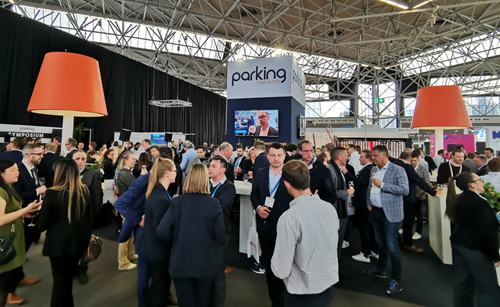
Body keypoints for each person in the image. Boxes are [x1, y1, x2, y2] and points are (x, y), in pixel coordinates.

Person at [157, 164, 226, 307]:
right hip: (205, 264)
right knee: (203, 301)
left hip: (180, 263)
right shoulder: (214, 204)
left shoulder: (177, 202)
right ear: (205, 180)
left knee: (184, 302)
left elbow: (162, 231)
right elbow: (221, 237)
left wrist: (177, 237)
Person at [271, 160, 339, 307]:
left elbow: (280, 270)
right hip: (327, 288)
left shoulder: (289, 218)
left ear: (287, 184)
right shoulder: (329, 209)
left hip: (301, 293)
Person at [37, 159, 92, 307]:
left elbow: (41, 225)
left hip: (58, 246)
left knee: (60, 284)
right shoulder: (85, 191)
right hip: (78, 244)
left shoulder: (52, 194)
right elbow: (89, 220)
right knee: (66, 283)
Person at [445, 172, 500, 306]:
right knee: (487, 286)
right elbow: (488, 232)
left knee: (462, 282)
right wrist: (495, 256)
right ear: (473, 185)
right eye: (479, 180)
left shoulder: (458, 198)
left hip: (458, 243)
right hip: (475, 248)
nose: (482, 182)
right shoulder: (480, 203)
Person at [250, 143, 293, 307]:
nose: (276, 158)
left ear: (284, 156)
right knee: (269, 265)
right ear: (267, 156)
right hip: (264, 226)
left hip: (285, 227)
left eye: (279, 155)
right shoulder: (260, 173)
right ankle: (275, 301)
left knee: (285, 265)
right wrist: (258, 206)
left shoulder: (291, 175)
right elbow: (254, 194)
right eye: (272, 155)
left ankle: (285, 299)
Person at [363, 145, 409, 295]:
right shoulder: (374, 169)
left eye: (375, 155)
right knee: (381, 244)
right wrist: (369, 204)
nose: (373, 158)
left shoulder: (398, 170)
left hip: (391, 214)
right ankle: (381, 269)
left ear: (384, 155)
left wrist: (383, 185)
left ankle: (397, 279)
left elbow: (404, 190)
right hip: (376, 211)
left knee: (392, 246)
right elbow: (370, 188)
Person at [0, 160, 42, 306]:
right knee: (5, 274)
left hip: (12, 234)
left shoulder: (8, 187)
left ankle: (14, 286)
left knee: (12, 268)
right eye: (12, 170)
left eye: (17, 169)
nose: (16, 172)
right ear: (2, 173)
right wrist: (25, 209)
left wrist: (23, 214)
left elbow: (9, 211)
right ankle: (7, 294)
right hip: (4, 238)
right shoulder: (1, 190)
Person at [142, 157, 177, 306]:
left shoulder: (156, 191)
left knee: (157, 285)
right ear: (167, 173)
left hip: (151, 247)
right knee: (160, 289)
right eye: (175, 171)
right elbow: (161, 230)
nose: (177, 173)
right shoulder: (161, 198)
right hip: (159, 251)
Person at [393, 151, 439, 252]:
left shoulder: (393, 165)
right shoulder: (407, 167)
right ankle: (407, 243)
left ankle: (398, 241)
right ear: (409, 159)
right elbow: (419, 180)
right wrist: (433, 191)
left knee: (395, 221)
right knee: (408, 222)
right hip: (408, 198)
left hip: (395, 198)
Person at [208, 157, 236, 307]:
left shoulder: (228, 187)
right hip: (204, 232)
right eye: (209, 165)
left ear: (223, 170)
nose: (209, 168)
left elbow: (218, 206)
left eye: (213, 166)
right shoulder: (207, 184)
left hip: (220, 233)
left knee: (218, 273)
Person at [72, 150, 103, 284]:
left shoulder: (93, 175)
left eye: (82, 159)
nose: (79, 161)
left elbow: (97, 197)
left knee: (85, 246)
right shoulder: (66, 174)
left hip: (86, 218)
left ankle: (83, 270)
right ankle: (73, 269)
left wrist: (93, 217)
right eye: (77, 159)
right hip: (68, 218)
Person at [13, 143, 46, 254]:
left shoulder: (34, 168)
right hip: (22, 213)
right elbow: (16, 194)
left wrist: (40, 194)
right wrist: (37, 191)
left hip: (34, 212)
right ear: (29, 155)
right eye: (39, 154)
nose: (42, 156)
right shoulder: (18, 171)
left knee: (30, 238)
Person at [351, 150, 379, 263]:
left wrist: (347, 173)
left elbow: (359, 183)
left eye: (361, 157)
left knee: (364, 229)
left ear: (367, 159)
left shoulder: (367, 169)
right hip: (366, 203)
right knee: (369, 228)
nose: (359, 159)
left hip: (363, 204)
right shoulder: (370, 169)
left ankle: (365, 253)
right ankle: (374, 250)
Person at [327, 147, 353, 259]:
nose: (347, 158)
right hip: (335, 210)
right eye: (346, 155)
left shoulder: (339, 169)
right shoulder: (330, 170)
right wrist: (346, 192)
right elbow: (330, 193)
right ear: (339, 157)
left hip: (339, 209)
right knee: (334, 241)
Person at [116, 151, 138, 271]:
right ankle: (123, 262)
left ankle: (130, 254)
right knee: (126, 235)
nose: (134, 161)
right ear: (125, 160)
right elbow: (135, 187)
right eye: (132, 159)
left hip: (130, 207)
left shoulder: (127, 172)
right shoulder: (124, 173)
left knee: (130, 233)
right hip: (127, 207)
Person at [410, 151, 431, 241]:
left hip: (419, 195)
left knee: (419, 215)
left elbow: (427, 182)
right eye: (411, 160)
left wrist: (420, 192)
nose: (413, 162)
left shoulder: (423, 168)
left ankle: (419, 232)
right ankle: (406, 229)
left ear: (418, 160)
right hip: (409, 195)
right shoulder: (408, 168)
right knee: (408, 214)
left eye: (414, 160)